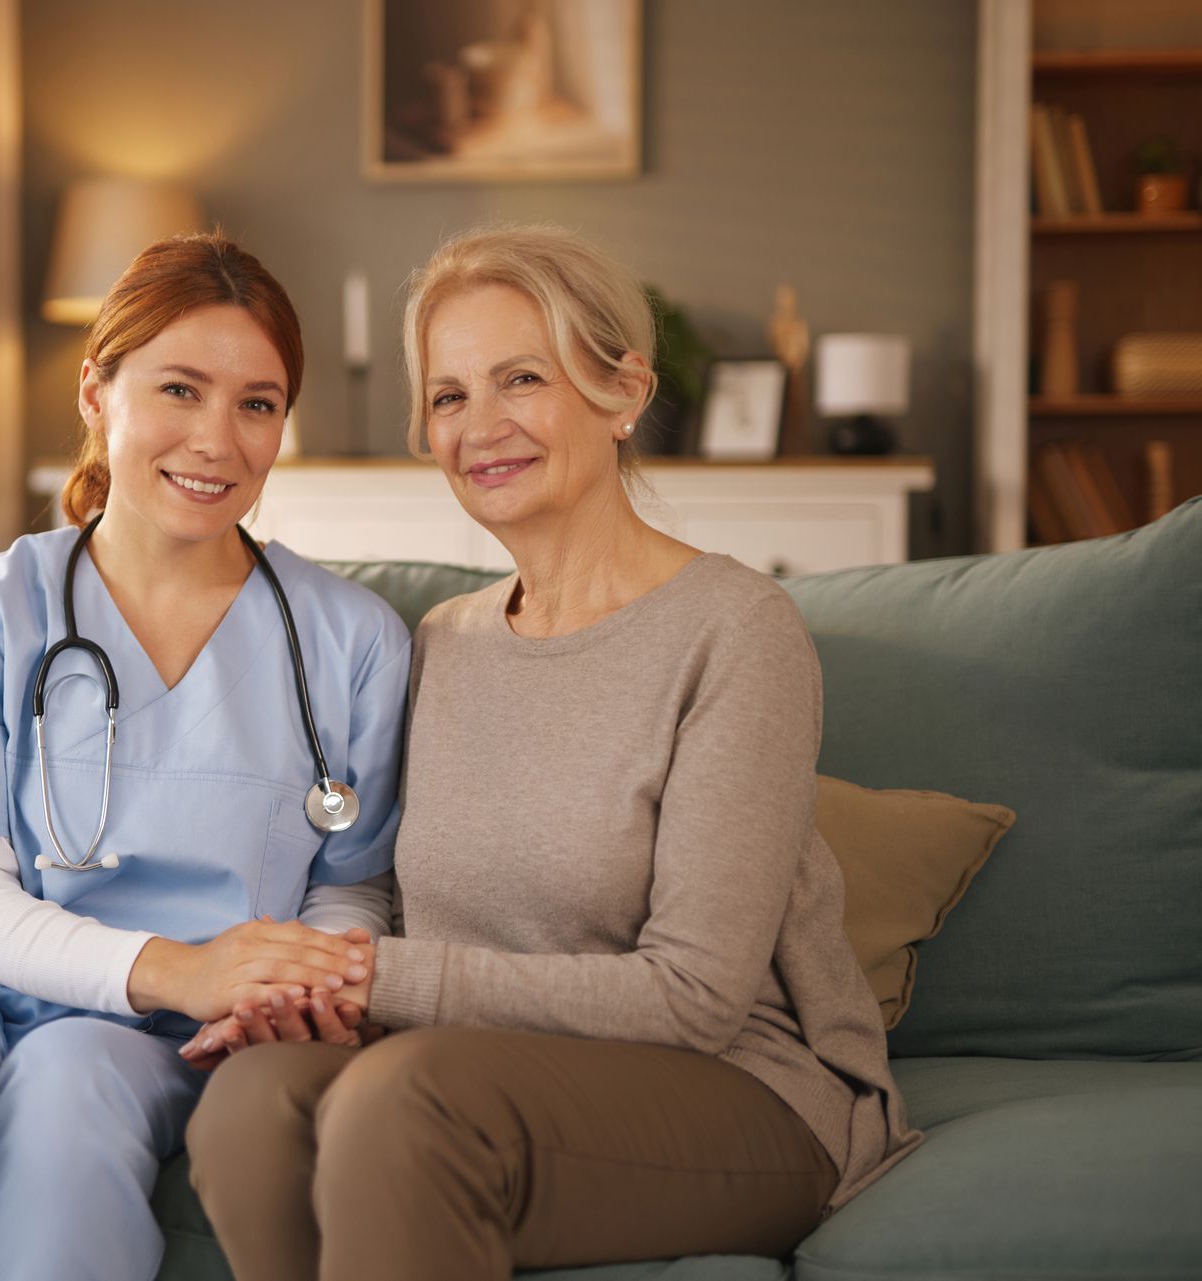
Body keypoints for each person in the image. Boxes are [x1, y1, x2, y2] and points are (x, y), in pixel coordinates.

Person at [183, 224, 924, 1281]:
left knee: (407, 1100)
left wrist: (383, 976)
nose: (480, 427)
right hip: (481, 1074)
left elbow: (696, 996)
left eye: (520, 379)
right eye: (448, 396)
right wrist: (308, 988)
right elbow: (393, 907)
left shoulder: (736, 630)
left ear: (623, 392)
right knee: (252, 1105)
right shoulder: (444, 641)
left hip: (741, 1090)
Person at [0, 233, 411, 1281]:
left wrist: (294, 984)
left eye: (257, 403)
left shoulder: (351, 641)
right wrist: (185, 966)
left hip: (169, 1029)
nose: (217, 440)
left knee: (73, 1086)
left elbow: (353, 887)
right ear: (94, 392)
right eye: (179, 389)